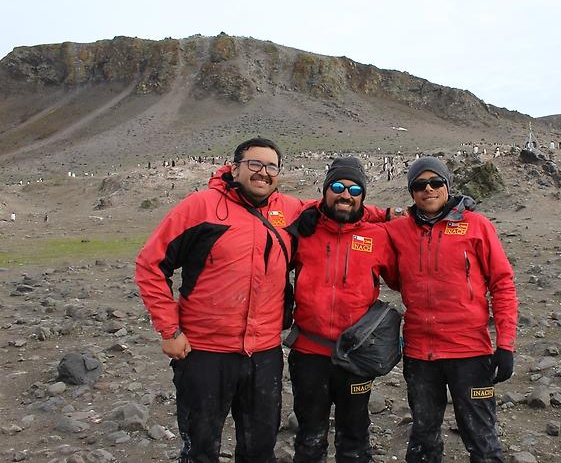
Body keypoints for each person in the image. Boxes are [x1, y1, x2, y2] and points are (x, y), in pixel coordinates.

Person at [136, 138, 397, 463]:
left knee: (260, 448)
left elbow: (337, 207)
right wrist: (169, 331)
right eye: (254, 165)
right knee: (201, 446)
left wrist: (392, 213)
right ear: (235, 168)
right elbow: (150, 263)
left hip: (263, 353)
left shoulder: (287, 210)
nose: (263, 173)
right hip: (204, 350)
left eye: (270, 166)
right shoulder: (200, 207)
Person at [385, 157, 518, 463]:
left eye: (435, 183)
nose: (428, 190)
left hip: (469, 351)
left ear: (447, 185)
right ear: (411, 191)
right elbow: (392, 276)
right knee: (423, 435)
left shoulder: (477, 226)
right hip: (420, 354)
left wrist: (506, 344)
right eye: (419, 185)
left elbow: (503, 284)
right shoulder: (398, 232)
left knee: (481, 438)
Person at [285, 157, 396, 463]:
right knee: (309, 437)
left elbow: (401, 279)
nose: (345, 194)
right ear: (324, 190)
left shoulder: (379, 236)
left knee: (355, 437)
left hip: (356, 356)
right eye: (337, 186)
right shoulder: (303, 231)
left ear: (363, 195)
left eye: (354, 189)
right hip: (309, 353)